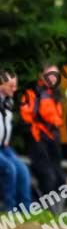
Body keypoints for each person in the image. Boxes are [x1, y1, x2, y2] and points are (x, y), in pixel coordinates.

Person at [19, 65, 67, 211]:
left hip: (52, 139)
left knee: (60, 178)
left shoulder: (56, 95)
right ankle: (47, 211)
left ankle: (56, 211)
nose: (53, 78)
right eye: (50, 74)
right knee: (48, 175)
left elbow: (57, 119)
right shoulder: (32, 94)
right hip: (38, 138)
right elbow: (26, 117)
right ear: (42, 76)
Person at [0, 72, 32, 212]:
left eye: (15, 85)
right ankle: (9, 209)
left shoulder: (8, 101)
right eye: (11, 86)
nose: (15, 89)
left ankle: (25, 210)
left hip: (4, 148)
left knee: (23, 170)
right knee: (9, 169)